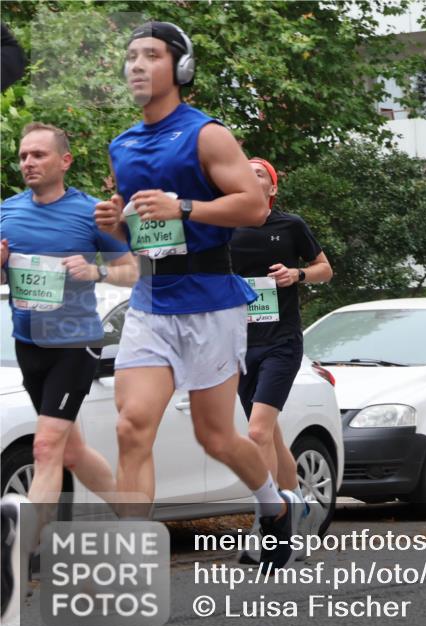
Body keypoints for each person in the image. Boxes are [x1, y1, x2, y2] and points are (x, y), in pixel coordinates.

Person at [92, 21, 296, 566]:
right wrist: (112, 222)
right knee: (132, 425)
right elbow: (132, 233)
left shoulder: (207, 134)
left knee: (217, 437)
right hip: (150, 303)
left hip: (210, 301)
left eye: (151, 55)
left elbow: (252, 208)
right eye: (131, 56)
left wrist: (185, 207)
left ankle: (273, 506)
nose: (137, 65)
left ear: (179, 68)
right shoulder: (123, 144)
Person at [0, 122, 137, 622]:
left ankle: (17, 562)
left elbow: (133, 269)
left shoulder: (89, 213)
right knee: (73, 450)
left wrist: (96, 270)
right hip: (29, 344)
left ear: (64, 161)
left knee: (44, 448)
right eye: (22, 156)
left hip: (75, 345)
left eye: (38, 155)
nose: (29, 163)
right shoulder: (6, 212)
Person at [230, 157, 333, 561]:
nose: (250, 176)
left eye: (260, 174)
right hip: (238, 344)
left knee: (257, 433)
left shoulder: (291, 226)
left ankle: (269, 522)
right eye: (245, 172)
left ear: (272, 189)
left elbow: (325, 268)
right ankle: (300, 512)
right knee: (270, 436)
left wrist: (297, 274)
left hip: (281, 342)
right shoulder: (225, 228)